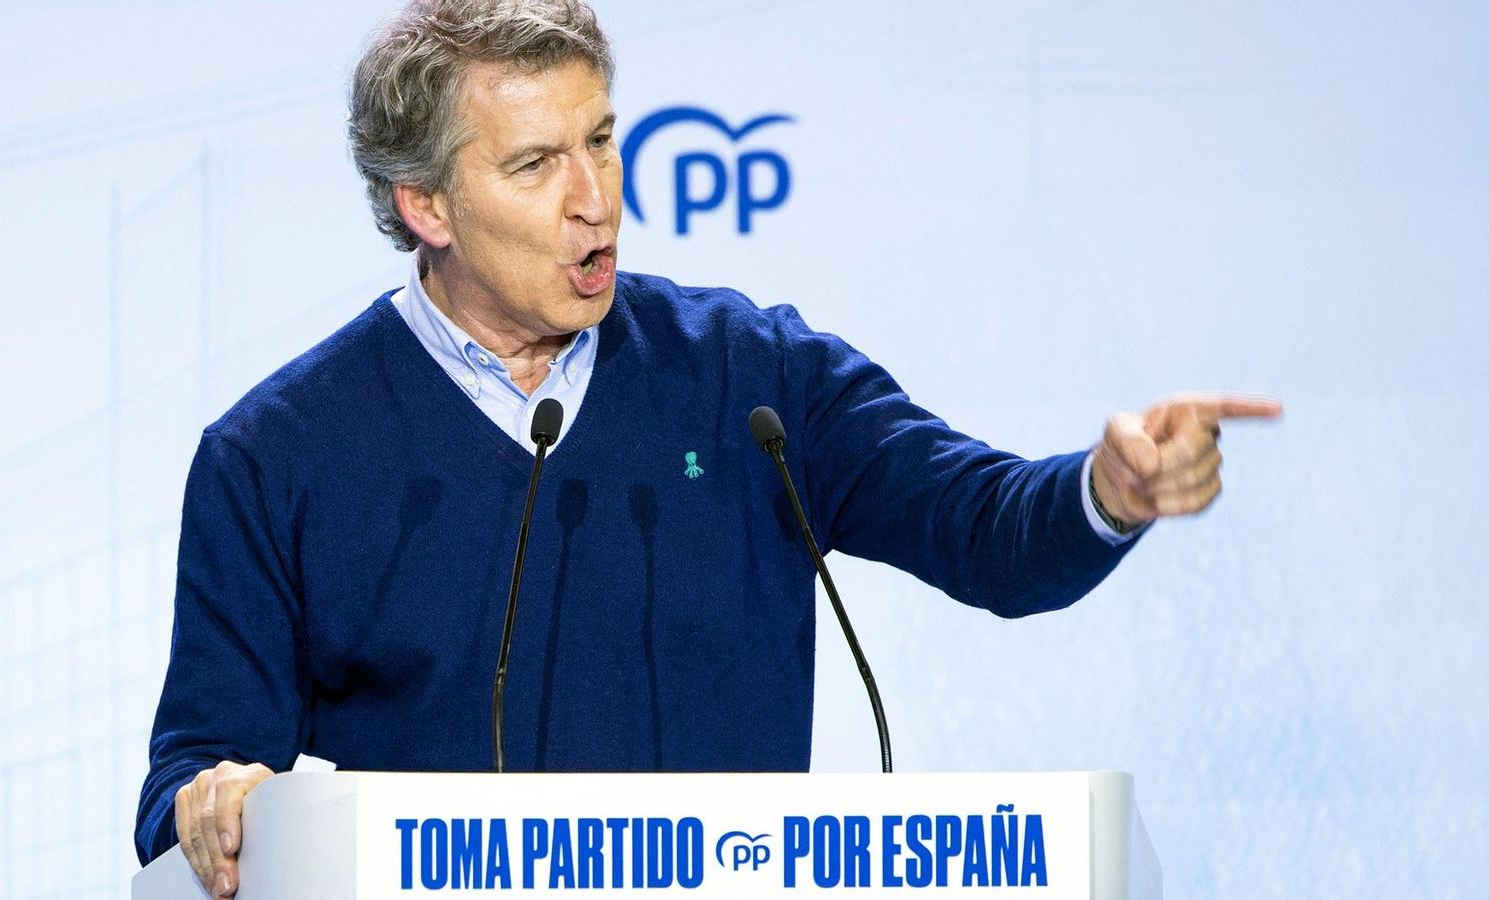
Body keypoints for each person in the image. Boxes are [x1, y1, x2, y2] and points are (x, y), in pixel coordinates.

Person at [134, 1, 1281, 895]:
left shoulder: (752, 380)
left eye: (600, 140)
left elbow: (987, 532)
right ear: (425, 204)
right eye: (536, 165)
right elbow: (189, 788)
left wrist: (1107, 490)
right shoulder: (273, 457)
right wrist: (214, 801)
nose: (597, 201)